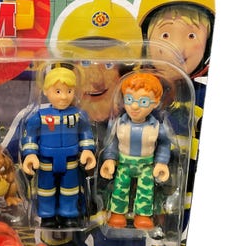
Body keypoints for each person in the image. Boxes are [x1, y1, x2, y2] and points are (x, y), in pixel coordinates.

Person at [21, 63, 96, 228]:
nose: (64, 97)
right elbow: (30, 135)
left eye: (69, 91)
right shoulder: (40, 116)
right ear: (46, 91)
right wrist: (30, 154)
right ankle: (47, 215)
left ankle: (68, 214)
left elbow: (86, 133)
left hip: (71, 160)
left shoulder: (78, 115)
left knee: (70, 188)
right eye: (58, 91)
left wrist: (88, 151)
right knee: (45, 189)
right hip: (46, 161)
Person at [100, 72, 171, 229]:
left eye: (143, 101)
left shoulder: (157, 127)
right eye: (129, 99)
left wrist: (161, 162)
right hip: (124, 164)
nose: (134, 106)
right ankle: (117, 213)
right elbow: (111, 142)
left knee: (146, 191)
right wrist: (109, 159)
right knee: (120, 188)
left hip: (146, 165)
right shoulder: (119, 123)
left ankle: (143, 215)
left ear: (155, 102)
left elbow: (165, 144)